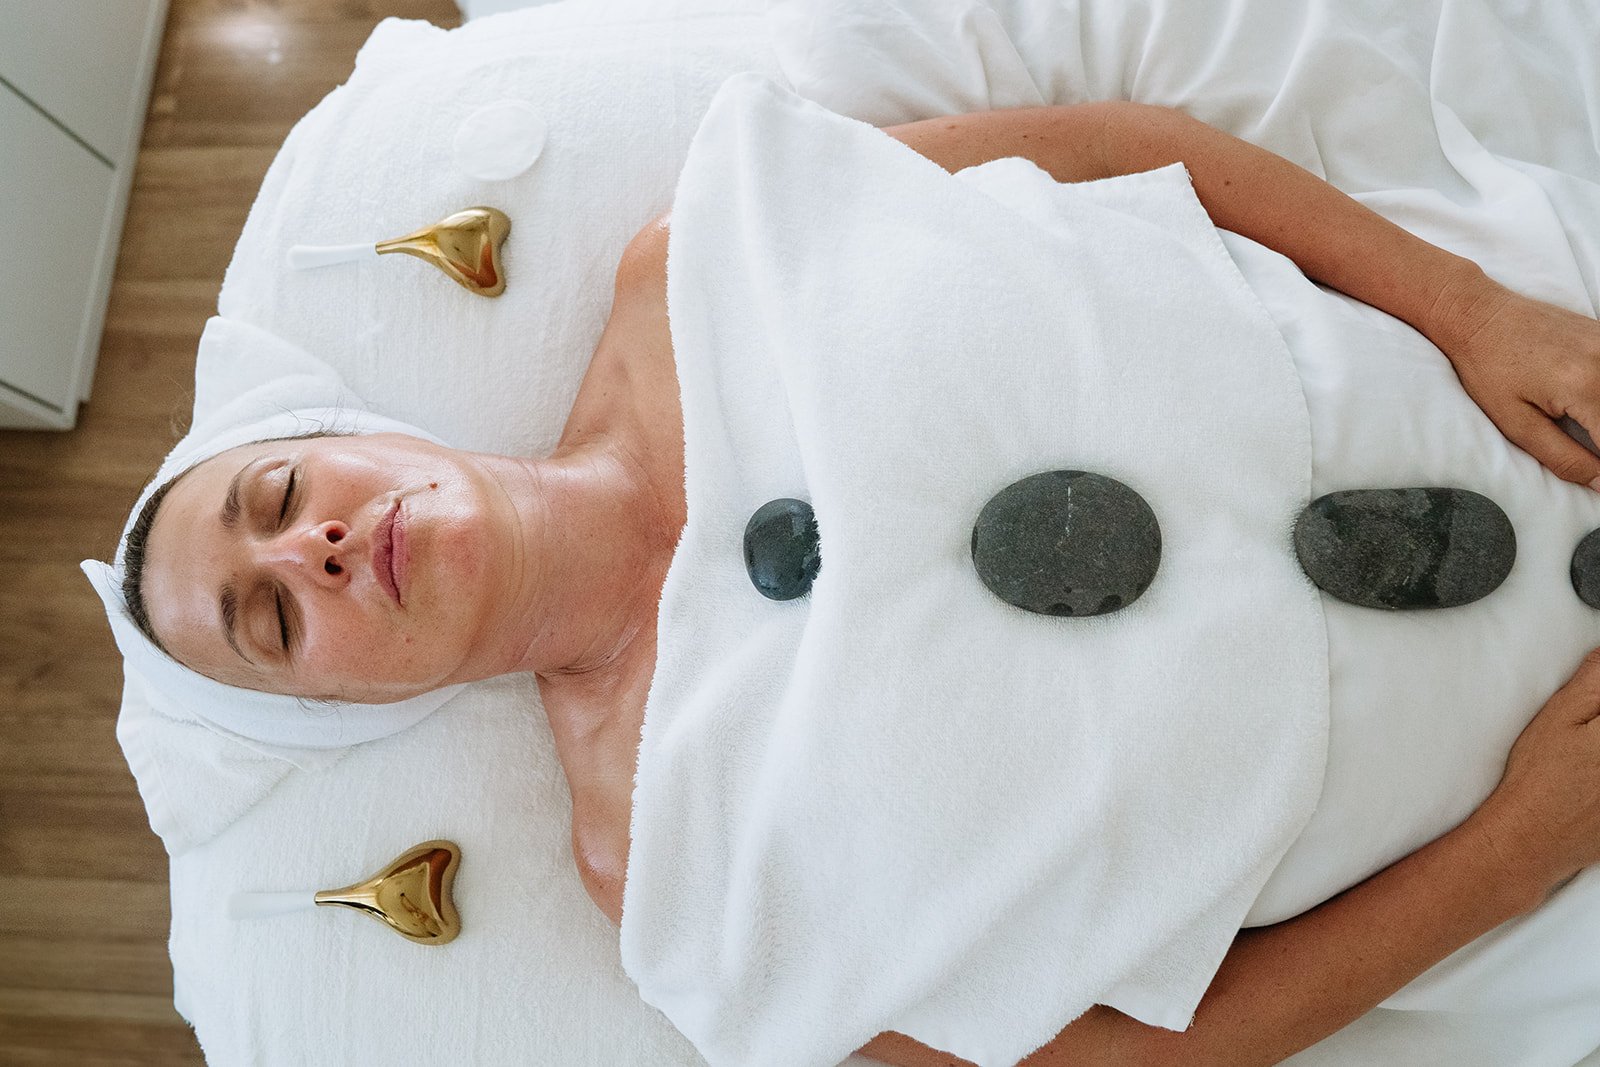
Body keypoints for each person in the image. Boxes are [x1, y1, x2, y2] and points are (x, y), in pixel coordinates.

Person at [119, 100, 1600, 1066]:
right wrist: (1514, 858)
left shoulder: (700, 258)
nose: (301, 550)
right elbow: (1105, 1061)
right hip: (1522, 794)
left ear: (362, 436)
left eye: (277, 497)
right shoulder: (661, 880)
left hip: (1509, 392)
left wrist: (1473, 311)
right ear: (348, 706)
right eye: (272, 620)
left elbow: (1123, 155)